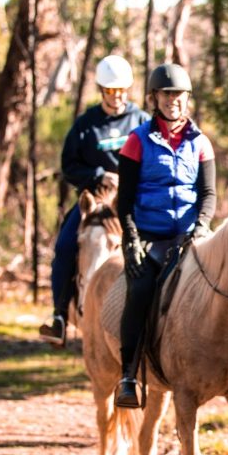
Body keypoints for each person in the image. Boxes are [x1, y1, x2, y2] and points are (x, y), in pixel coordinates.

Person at [113, 63, 216, 408]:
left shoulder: (200, 142)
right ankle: (128, 376)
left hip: (190, 236)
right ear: (154, 98)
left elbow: (209, 194)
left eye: (179, 94)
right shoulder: (136, 141)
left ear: (187, 98)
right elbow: (124, 199)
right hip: (150, 238)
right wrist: (130, 238)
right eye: (167, 94)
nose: (173, 100)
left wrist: (201, 225)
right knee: (140, 291)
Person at [39, 55, 149, 345]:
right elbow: (69, 166)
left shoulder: (141, 121)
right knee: (64, 247)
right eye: (111, 91)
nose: (117, 97)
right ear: (101, 90)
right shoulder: (86, 125)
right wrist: (100, 175)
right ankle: (60, 316)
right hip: (95, 201)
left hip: (132, 201)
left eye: (122, 91)